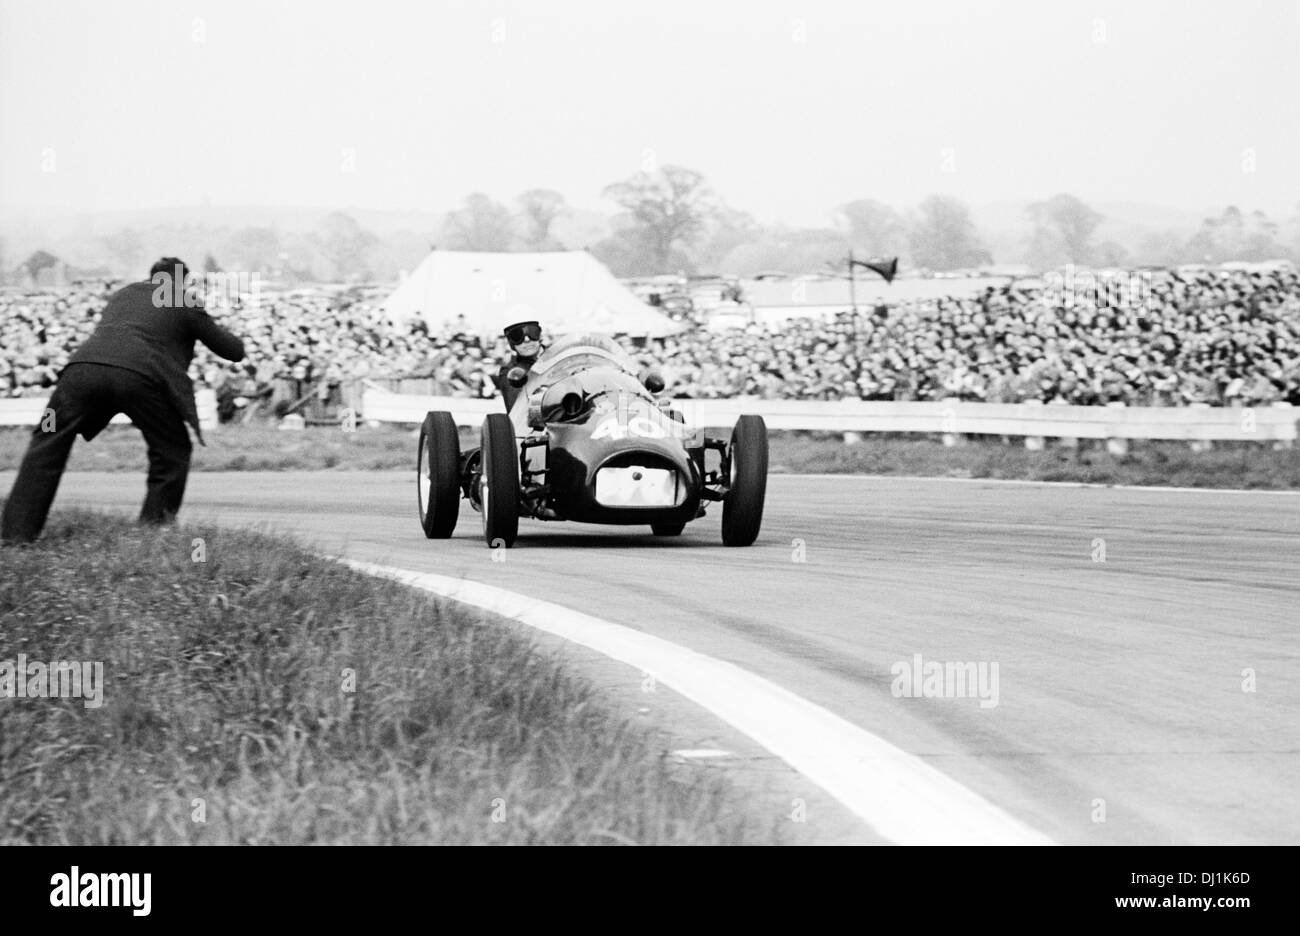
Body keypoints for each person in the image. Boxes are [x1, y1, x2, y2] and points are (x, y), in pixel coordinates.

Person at [1, 258, 246, 543]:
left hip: (80, 371)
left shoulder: (124, 294)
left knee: (46, 440)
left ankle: (16, 534)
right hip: (141, 377)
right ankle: (154, 531)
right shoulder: (182, 298)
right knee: (172, 449)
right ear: (182, 281)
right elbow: (232, 351)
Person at [492, 319, 544, 411]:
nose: (527, 340)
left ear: (539, 334)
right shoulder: (509, 372)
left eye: (532, 332)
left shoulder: (560, 357)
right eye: (517, 336)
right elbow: (520, 412)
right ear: (511, 342)